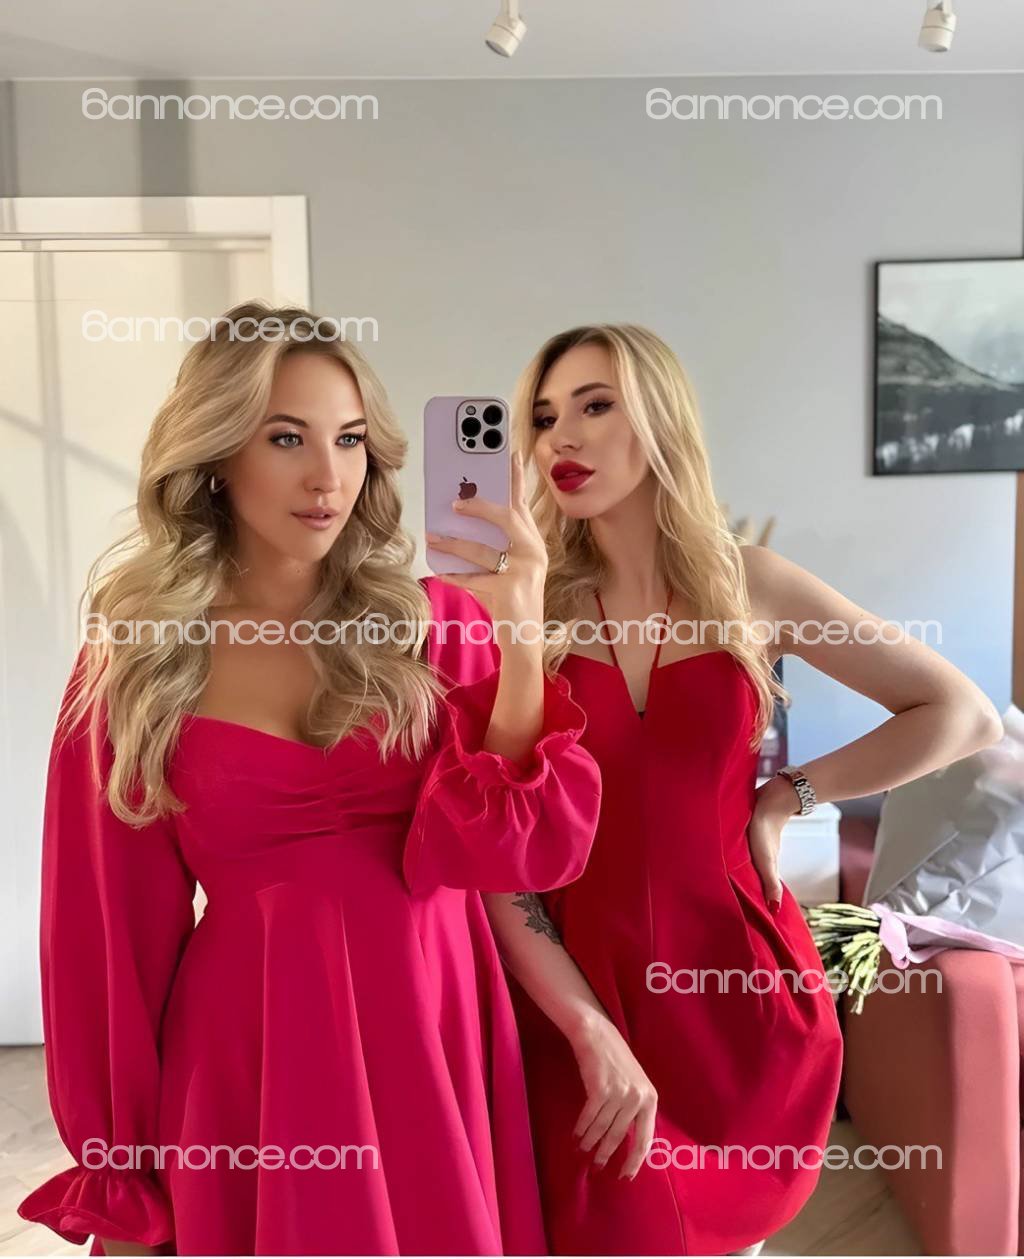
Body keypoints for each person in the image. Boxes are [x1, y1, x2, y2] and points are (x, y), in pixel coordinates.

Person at [17, 303, 603, 1256]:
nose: (328, 477)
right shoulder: (139, 659)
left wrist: (523, 630)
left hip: (435, 1022)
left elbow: (517, 852)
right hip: (252, 1052)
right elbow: (105, 935)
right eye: (286, 438)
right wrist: (121, 1174)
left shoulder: (440, 623)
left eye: (350, 439)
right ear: (216, 455)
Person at [463, 323, 1002, 1256]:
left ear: (660, 420)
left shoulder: (747, 582)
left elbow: (962, 713)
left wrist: (792, 792)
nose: (562, 438)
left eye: (596, 405)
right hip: (579, 1003)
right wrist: (587, 1028)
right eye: (543, 418)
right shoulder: (522, 606)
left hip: (741, 996)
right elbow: (496, 852)